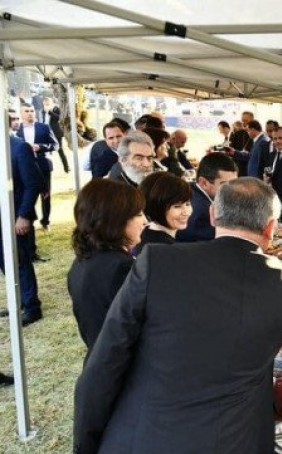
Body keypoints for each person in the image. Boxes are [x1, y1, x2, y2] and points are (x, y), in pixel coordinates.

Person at [73, 178, 282, 454]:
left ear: (213, 215)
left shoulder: (156, 261)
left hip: (144, 449)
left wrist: (89, 440)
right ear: (271, 228)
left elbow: (106, 359)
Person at [67, 180, 145, 352]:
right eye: (139, 214)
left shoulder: (82, 260)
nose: (144, 221)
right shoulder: (120, 267)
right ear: (117, 220)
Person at [0, 132, 45, 326]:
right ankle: (17, 300)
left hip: (15, 217)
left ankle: (32, 307)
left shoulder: (19, 147)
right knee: (5, 262)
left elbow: (33, 184)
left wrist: (24, 215)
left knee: (19, 261)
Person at [177, 152, 238, 243]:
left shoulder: (190, 188)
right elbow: (217, 246)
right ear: (204, 183)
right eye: (225, 185)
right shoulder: (205, 212)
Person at [17, 103, 57, 231]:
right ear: (21, 114)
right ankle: (28, 219)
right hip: (24, 168)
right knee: (27, 194)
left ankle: (45, 221)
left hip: (43, 166)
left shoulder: (44, 127)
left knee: (46, 195)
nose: (30, 113)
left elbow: (55, 145)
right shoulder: (17, 130)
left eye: (32, 111)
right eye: (27, 111)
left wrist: (40, 147)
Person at [136, 173, 193, 253]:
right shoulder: (167, 250)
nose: (186, 212)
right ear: (157, 208)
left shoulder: (145, 232)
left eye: (188, 204)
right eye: (177, 206)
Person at [43, 98, 69, 173]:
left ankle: (66, 167)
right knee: (43, 149)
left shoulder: (56, 108)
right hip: (46, 132)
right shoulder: (43, 110)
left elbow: (59, 118)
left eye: (47, 103)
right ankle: (45, 167)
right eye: (45, 103)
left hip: (56, 133)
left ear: (51, 102)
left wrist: (50, 112)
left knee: (60, 150)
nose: (46, 104)